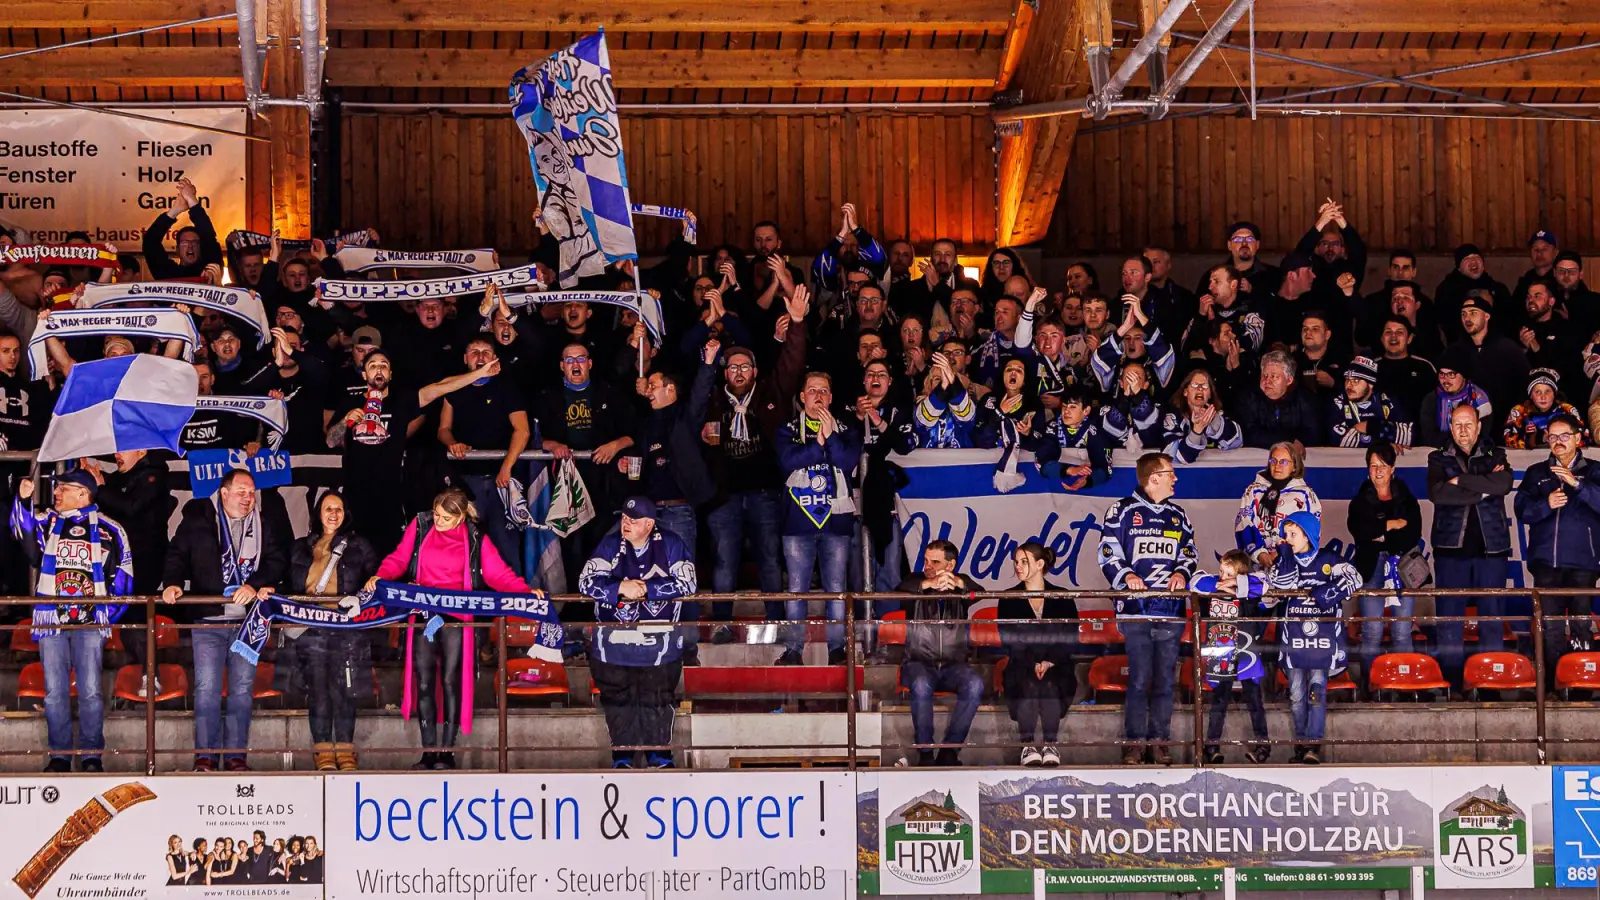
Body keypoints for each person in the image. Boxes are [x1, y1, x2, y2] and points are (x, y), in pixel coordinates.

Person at [368, 486, 533, 769]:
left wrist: (527, 593)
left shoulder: (475, 536)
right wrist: (381, 575)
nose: (439, 521)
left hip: (457, 616)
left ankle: (447, 750)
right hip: (423, 612)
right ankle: (428, 750)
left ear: (460, 518)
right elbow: (399, 558)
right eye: (436, 514)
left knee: (450, 681)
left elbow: (498, 574)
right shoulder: (421, 525)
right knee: (423, 681)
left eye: (445, 518)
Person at [162, 469, 291, 771]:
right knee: (206, 688)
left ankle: (236, 757)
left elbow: (278, 561)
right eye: (242, 491)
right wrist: (171, 582)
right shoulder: (198, 520)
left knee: (242, 690)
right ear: (223, 492)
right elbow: (176, 554)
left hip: (248, 623)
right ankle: (205, 756)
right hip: (208, 620)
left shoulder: (264, 525)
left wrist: (255, 584)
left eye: (252, 492)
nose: (248, 498)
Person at [11, 469, 131, 772]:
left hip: (89, 623)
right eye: (57, 488)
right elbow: (23, 537)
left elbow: (125, 577)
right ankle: (60, 756)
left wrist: (106, 615)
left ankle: (91, 756)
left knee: (90, 691)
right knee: (54, 692)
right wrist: (23, 501)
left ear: (83, 493)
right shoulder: (48, 521)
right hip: (51, 619)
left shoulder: (110, 529)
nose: (57, 493)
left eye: (64, 488)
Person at [325, 348, 493, 552]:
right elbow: (331, 442)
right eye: (373, 366)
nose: (379, 369)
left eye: (384, 366)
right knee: (353, 556)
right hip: (354, 496)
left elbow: (440, 387)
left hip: (390, 496)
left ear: (391, 374)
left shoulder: (401, 402)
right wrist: (345, 420)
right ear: (364, 374)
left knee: (388, 555)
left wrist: (479, 373)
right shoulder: (350, 402)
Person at [579, 496, 697, 769]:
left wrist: (647, 590)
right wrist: (619, 588)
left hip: (660, 646)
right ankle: (623, 756)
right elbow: (585, 581)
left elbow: (689, 583)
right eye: (623, 518)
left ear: (649, 523)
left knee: (657, 698)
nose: (626, 523)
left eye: (633, 520)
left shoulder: (671, 543)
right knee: (618, 700)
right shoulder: (610, 544)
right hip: (613, 646)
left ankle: (659, 754)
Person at [1099, 452, 1198, 765]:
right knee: (1141, 679)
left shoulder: (1179, 515)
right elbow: (1107, 553)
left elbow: (1189, 551)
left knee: (1166, 680)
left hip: (1170, 611)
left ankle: (1160, 742)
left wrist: (1182, 572)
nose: (1176, 479)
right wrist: (1126, 575)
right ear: (1154, 477)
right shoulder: (1121, 511)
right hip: (1135, 610)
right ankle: (1134, 745)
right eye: (1171, 473)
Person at [775, 372, 863, 665]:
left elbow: (847, 461)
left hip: (836, 522)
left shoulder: (847, 427)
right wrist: (819, 444)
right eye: (812, 390)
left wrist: (831, 436)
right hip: (797, 522)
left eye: (824, 391)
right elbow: (789, 462)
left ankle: (837, 649)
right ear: (802, 397)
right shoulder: (786, 428)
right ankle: (793, 650)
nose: (818, 396)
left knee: (836, 589)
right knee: (796, 589)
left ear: (831, 397)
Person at [288, 490, 379, 771]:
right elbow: (286, 583)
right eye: (328, 508)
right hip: (311, 628)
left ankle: (346, 751)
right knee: (318, 691)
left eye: (338, 508)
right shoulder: (300, 547)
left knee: (345, 692)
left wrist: (378, 577)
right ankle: (323, 751)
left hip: (346, 629)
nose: (333, 514)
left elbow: (377, 576)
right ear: (318, 513)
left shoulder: (360, 545)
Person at [1427, 403, 1514, 694]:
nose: (1463, 430)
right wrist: (1483, 489)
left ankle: (1490, 683)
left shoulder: (1495, 454)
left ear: (1478, 426)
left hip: (1493, 551)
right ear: (1450, 427)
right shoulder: (1438, 458)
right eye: (1457, 424)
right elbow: (1439, 494)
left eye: (1468, 424)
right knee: (1449, 622)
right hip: (1451, 552)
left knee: (1492, 621)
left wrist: (1461, 482)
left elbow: (1504, 484)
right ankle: (1452, 686)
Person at [1513, 413, 1600, 694]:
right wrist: (1546, 504)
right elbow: (1522, 511)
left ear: (1578, 438)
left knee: (1581, 627)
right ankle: (1552, 687)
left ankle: (1582, 686)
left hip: (1583, 564)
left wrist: (1577, 484)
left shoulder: (1595, 471)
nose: (1558, 442)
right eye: (1552, 436)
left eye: (1564, 436)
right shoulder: (1537, 473)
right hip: (1546, 565)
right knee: (1549, 629)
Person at [1271, 512, 1360, 765]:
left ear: (1308, 535)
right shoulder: (1284, 561)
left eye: (1293, 535)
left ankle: (1313, 745)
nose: (1287, 539)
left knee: (1316, 691)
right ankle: (1300, 743)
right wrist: (1286, 558)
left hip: (1322, 642)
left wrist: (1325, 595)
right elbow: (1279, 587)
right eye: (1285, 535)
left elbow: (1356, 577)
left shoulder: (1329, 560)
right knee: (1296, 694)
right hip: (1293, 642)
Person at [438, 336, 533, 569]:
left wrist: (506, 468)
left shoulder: (507, 387)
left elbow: (522, 430)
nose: (480, 357)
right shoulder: (455, 387)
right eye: (474, 352)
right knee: (462, 548)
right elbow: (443, 429)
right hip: (465, 481)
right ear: (465, 359)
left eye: (486, 352)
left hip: (501, 481)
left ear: (495, 359)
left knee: (505, 548)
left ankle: (512, 603)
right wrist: (453, 444)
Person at [896, 540, 984, 767]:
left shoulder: (959, 585)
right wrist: (930, 583)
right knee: (921, 683)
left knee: (975, 684)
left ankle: (950, 751)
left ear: (951, 564)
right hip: (918, 662)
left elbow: (980, 592)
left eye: (935, 562)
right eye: (926, 560)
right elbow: (898, 591)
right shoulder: (915, 580)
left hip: (954, 665)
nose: (928, 566)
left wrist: (957, 582)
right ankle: (925, 752)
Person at [1346, 442, 1423, 685]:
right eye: (1373, 466)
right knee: (1372, 632)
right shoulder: (1359, 499)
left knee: (1402, 632)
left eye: (1383, 465)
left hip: (1402, 568)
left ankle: (1405, 685)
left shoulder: (1407, 497)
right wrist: (1389, 525)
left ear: (1393, 469)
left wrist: (1377, 534)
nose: (1378, 471)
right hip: (1371, 568)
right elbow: (1358, 531)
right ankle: (1371, 687)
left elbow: (1413, 534)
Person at [999, 542, 1078, 767]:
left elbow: (1070, 635)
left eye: (1024, 562)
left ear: (1040, 563)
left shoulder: (1061, 596)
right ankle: (1028, 746)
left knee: (1050, 683)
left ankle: (1051, 744)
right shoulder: (1008, 598)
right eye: (1016, 562)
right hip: (1021, 665)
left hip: (1058, 665)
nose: (1018, 567)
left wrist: (1050, 661)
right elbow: (1009, 639)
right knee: (1030, 682)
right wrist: (1033, 662)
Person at [1193, 550, 1271, 765]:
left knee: (1254, 698)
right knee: (1219, 699)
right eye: (1221, 572)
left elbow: (1265, 584)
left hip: (1247, 651)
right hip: (1221, 650)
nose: (1222, 577)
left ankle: (1263, 745)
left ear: (1242, 574)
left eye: (1228, 574)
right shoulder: (1213, 586)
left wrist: (1238, 586)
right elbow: (1195, 581)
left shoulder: (1253, 588)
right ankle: (1212, 747)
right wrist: (1222, 586)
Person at [1235, 441, 1322, 569]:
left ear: (1295, 466)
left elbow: (1310, 532)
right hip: (1258, 565)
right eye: (1273, 461)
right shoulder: (1253, 491)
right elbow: (1244, 524)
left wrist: (1282, 551)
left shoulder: (1306, 494)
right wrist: (1259, 554)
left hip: (1292, 566)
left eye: (1284, 462)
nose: (1277, 466)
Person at [1234, 351, 1322, 448]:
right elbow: (1247, 434)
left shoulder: (1306, 400)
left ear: (1289, 380)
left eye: (1274, 376)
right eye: (1265, 375)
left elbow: (1312, 437)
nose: (1267, 381)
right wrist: (1289, 440)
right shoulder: (1249, 398)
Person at [1159, 368, 1243, 463]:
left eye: (1205, 386)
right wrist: (1197, 431)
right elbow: (1173, 457)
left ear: (1210, 394)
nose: (1200, 389)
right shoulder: (1173, 418)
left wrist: (1214, 420)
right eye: (1194, 385)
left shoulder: (1219, 415)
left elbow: (1237, 442)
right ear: (1185, 392)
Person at [1328, 356, 1414, 448]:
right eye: (1347, 380)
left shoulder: (1387, 401)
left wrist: (1371, 427)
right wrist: (1385, 443)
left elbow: (1408, 436)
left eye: (1356, 381)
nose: (1349, 385)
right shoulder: (1338, 403)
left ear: (1371, 384)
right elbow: (1339, 440)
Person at [1504, 368, 1590, 450]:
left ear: (1554, 394)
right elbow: (1508, 440)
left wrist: (1557, 438)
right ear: (1530, 395)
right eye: (1538, 392)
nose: (1543, 397)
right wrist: (1538, 439)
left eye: (1547, 391)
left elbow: (1585, 437)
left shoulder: (1566, 410)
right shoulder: (1520, 411)